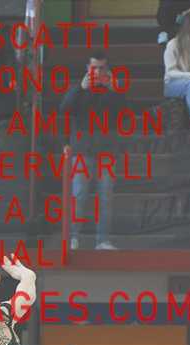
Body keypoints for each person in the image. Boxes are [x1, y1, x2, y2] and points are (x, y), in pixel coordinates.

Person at [60, 52, 123, 250]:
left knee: (106, 197)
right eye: (94, 67)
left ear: (107, 70)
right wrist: (80, 89)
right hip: (82, 150)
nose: (97, 72)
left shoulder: (112, 91)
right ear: (88, 68)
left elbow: (124, 115)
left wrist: (114, 91)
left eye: (102, 68)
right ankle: (73, 238)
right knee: (79, 195)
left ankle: (102, 240)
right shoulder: (78, 89)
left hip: (107, 151)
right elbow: (64, 110)